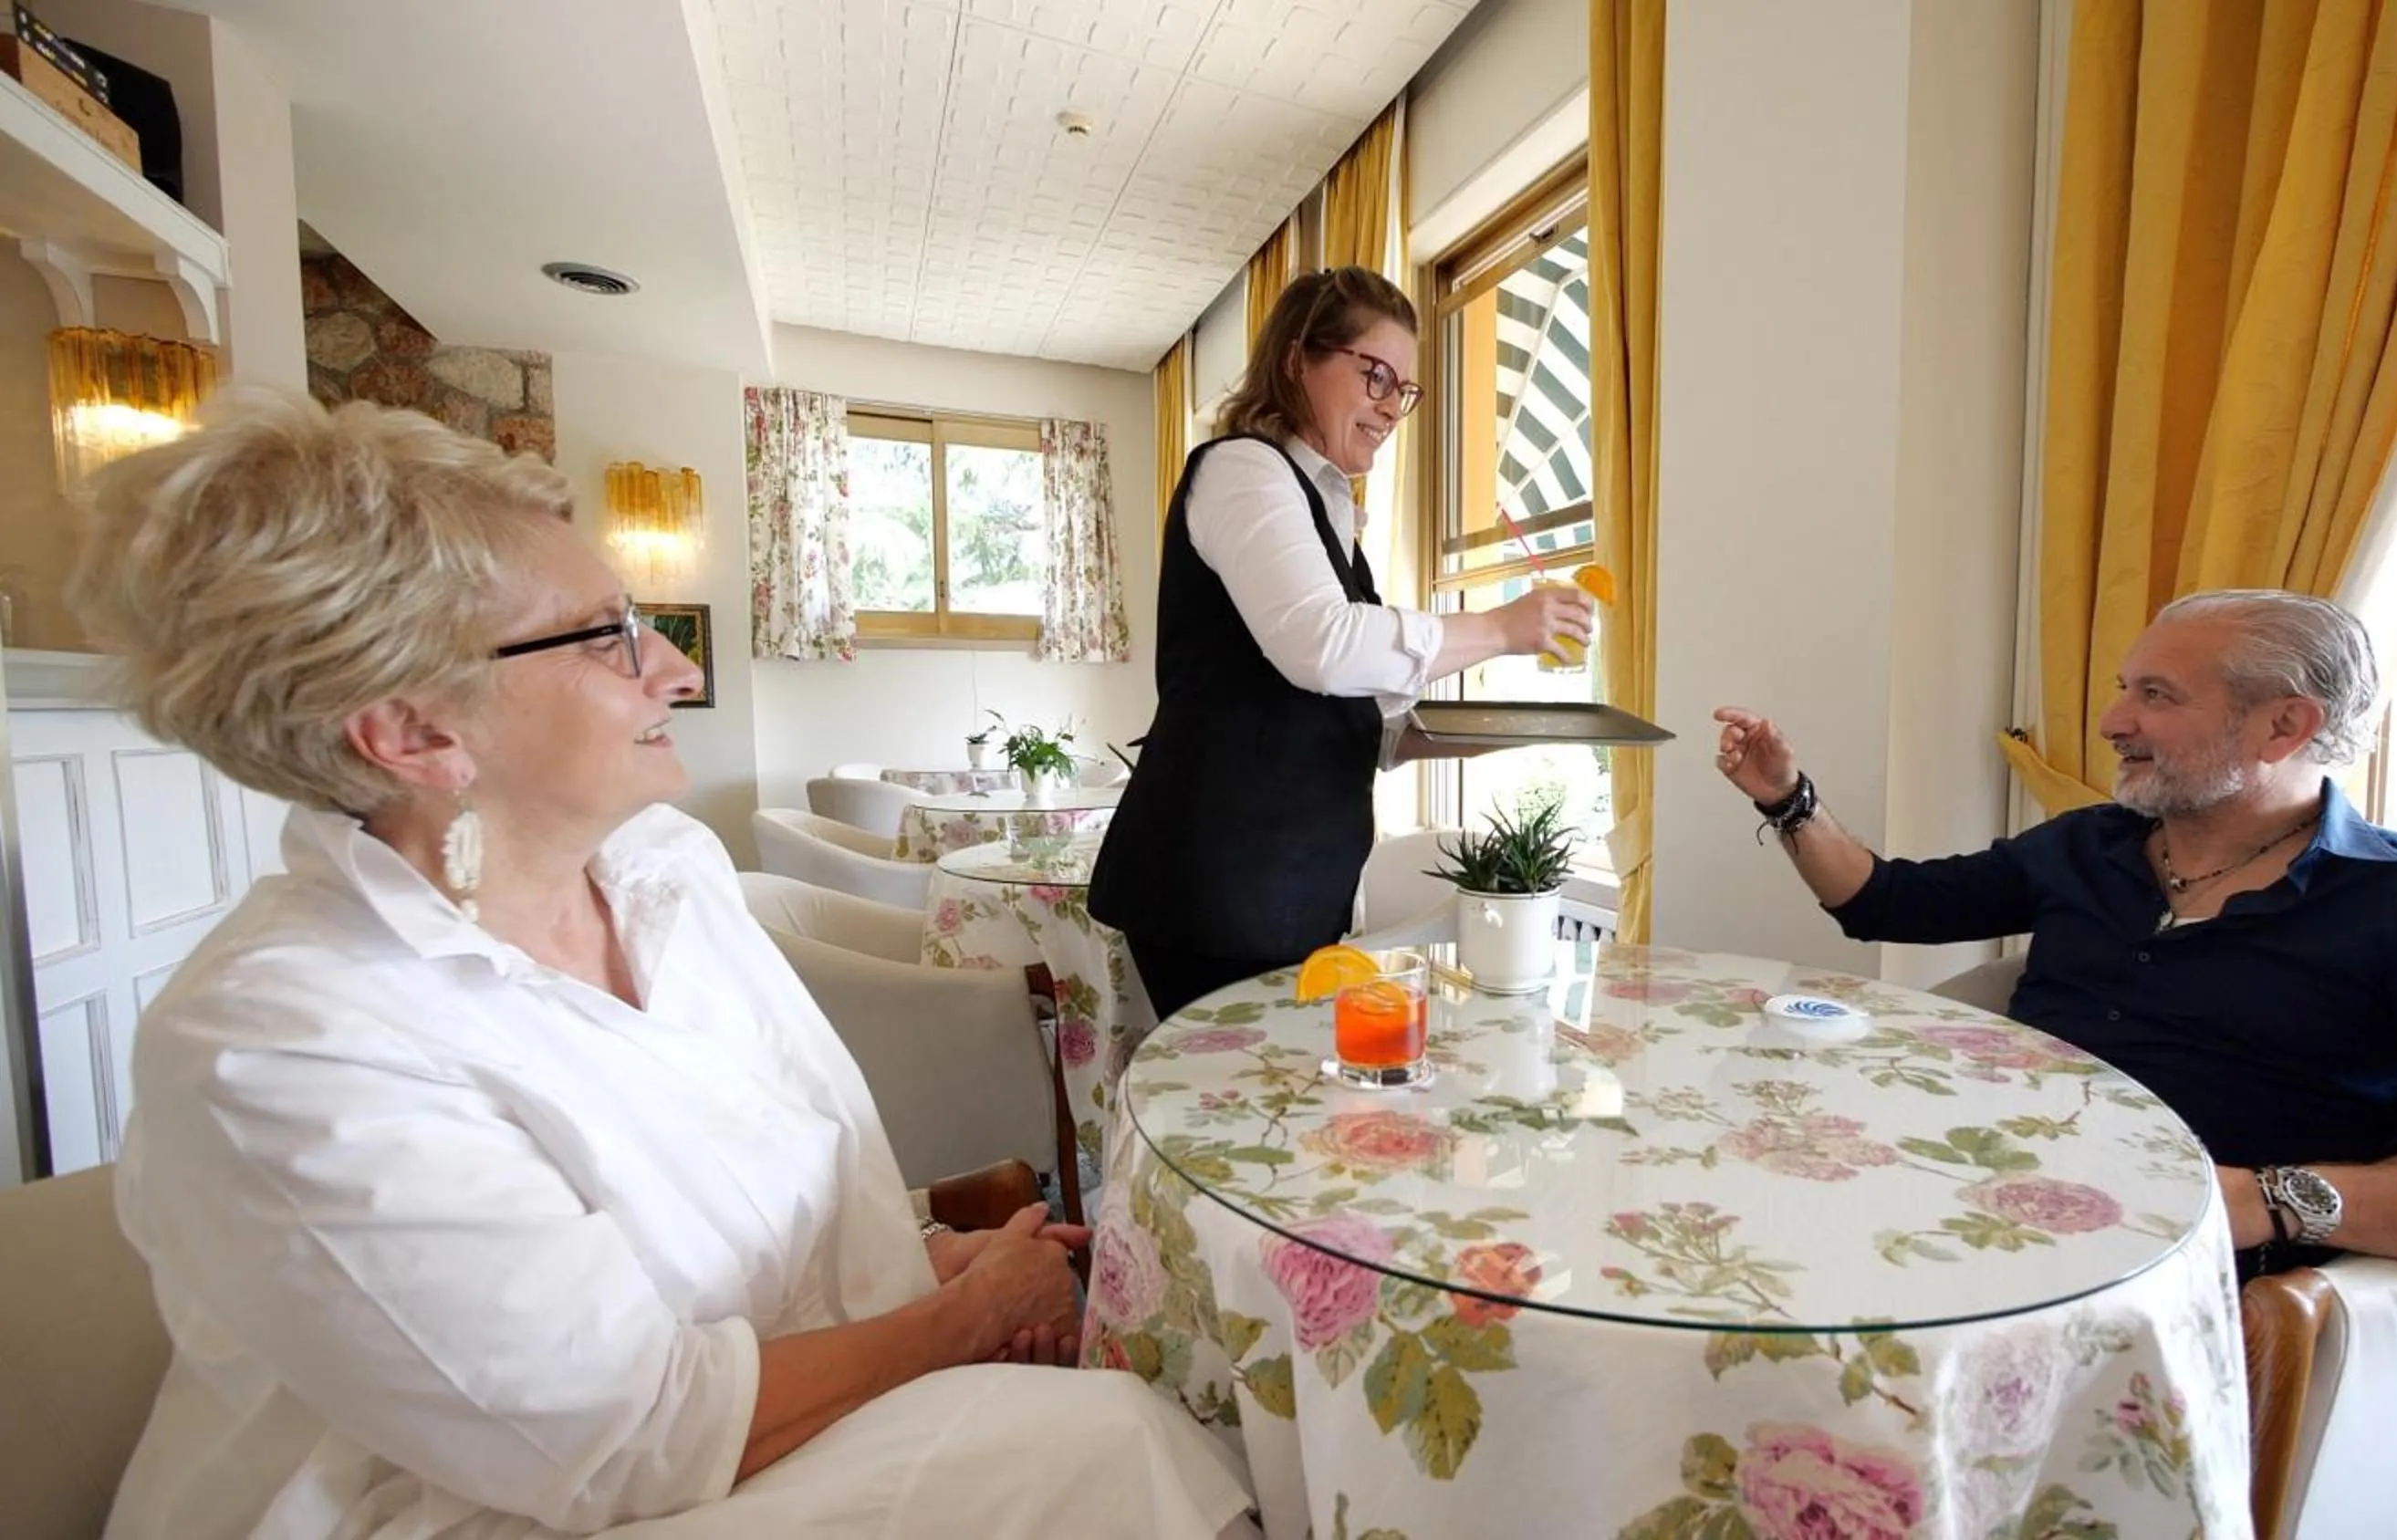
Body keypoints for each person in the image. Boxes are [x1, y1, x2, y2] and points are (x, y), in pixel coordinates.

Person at [73, 390, 1256, 1539]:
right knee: (1104, 1440)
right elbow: (627, 1440)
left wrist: (928, 1259)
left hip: (736, 1429)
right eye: (606, 637)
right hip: (505, 1506)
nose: (677, 671)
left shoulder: (663, 871)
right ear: (415, 731)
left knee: (1145, 1404)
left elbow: (763, 1221)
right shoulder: (283, 1047)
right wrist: (965, 1315)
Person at [1713, 589, 2397, 1287]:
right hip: (1970, 1210)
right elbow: (1886, 901)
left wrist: (2254, 1198)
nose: (2114, 720)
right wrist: (1786, 798)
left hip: (2172, 1279)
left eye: (2155, 695)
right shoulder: (2092, 843)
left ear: (2285, 724)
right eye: (2126, 689)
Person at [1090, 266, 1593, 1017]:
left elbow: (1344, 715)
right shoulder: (1243, 471)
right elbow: (1323, 647)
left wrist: (1489, 733)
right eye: (1376, 376)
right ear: (1299, 359)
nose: (1392, 407)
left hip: (1284, 888)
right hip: (1218, 888)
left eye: (1404, 390)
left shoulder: (1330, 516)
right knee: (1240, 1118)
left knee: (1277, 1116)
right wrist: (1497, 628)